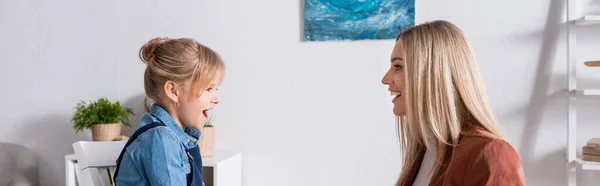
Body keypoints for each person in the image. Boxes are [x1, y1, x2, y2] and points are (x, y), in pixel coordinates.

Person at [381, 20, 525, 186]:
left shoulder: (491, 155)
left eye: (397, 66)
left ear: (434, 73)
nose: (385, 79)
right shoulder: (425, 151)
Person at [113, 37, 224, 186]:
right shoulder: (161, 139)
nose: (216, 99)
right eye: (208, 89)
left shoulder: (176, 138)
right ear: (173, 91)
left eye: (215, 89)